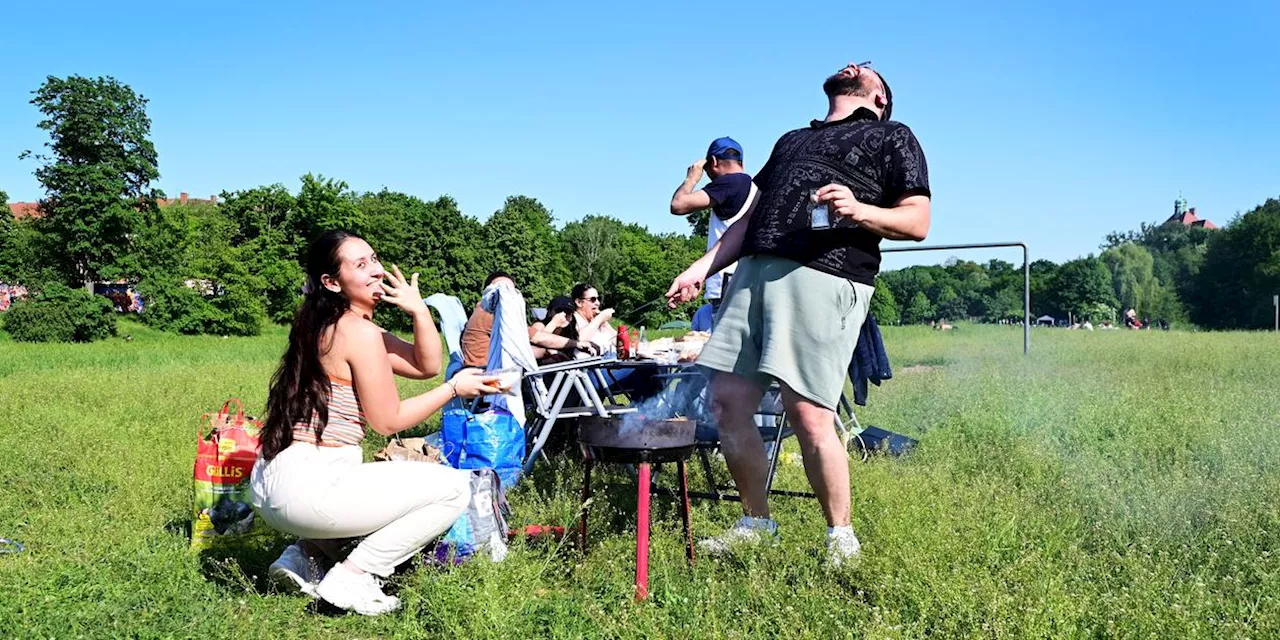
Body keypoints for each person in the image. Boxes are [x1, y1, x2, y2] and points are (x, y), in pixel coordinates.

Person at [665, 61, 931, 566]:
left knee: (809, 415)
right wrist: (702, 267)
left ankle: (840, 537)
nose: (854, 64)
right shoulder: (791, 141)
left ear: (879, 99)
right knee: (726, 402)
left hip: (826, 275)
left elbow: (917, 222)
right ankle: (757, 522)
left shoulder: (892, 136)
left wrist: (859, 210)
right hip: (752, 274)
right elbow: (750, 220)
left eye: (867, 70)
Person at [251, 231, 503, 616]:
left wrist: (419, 311)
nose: (376, 271)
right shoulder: (359, 333)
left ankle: (302, 557)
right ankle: (354, 576)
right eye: (360, 265)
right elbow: (388, 422)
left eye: (374, 259)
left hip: (274, 483)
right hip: (307, 487)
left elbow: (425, 365)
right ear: (332, 283)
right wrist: (454, 389)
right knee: (454, 488)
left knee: (382, 482)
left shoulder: (324, 323)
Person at [670, 137, 759, 312]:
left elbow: (678, 204)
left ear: (714, 162)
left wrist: (691, 179)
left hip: (726, 284)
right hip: (748, 279)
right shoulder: (755, 186)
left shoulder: (730, 182)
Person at [461, 272, 598, 368]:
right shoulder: (491, 313)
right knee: (566, 376)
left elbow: (521, 347)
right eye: (501, 289)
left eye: (510, 290)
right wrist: (573, 344)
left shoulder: (484, 310)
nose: (505, 294)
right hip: (488, 379)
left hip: (489, 373)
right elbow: (536, 338)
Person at [571, 283, 616, 355]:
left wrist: (605, 324)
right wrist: (600, 318)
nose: (597, 303)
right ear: (579, 302)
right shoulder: (572, 319)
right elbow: (578, 340)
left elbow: (619, 342)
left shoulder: (596, 320)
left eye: (598, 299)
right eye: (593, 299)